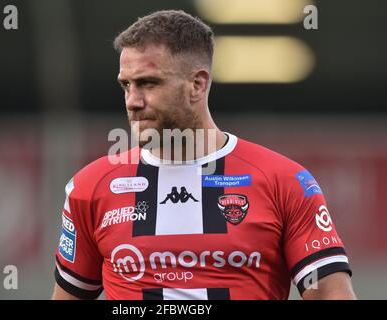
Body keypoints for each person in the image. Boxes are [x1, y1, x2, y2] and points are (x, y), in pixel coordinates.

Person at [52, 10, 356, 300]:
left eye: (148, 83)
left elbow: (330, 292)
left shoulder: (285, 182)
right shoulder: (89, 189)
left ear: (197, 85)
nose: (132, 101)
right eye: (126, 85)